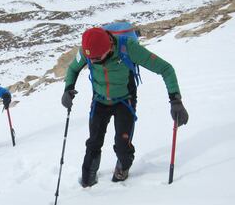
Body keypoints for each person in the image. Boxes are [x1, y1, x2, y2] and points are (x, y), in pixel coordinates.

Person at [61, 27, 189, 187]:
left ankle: (123, 167)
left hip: (124, 101)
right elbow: (73, 69)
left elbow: (166, 69)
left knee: (122, 145)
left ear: (108, 47)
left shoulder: (128, 48)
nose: (92, 62)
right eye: (90, 58)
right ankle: (87, 179)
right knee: (93, 142)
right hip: (100, 100)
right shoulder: (87, 52)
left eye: (96, 58)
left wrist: (175, 100)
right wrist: (68, 89)